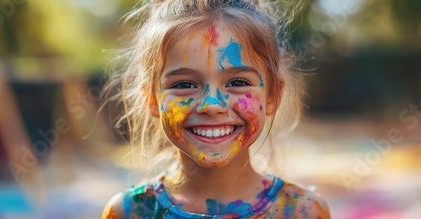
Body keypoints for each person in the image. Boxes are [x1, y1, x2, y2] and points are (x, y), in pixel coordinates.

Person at [102, 0, 330, 218]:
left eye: (238, 83)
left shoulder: (302, 211)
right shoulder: (129, 212)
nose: (211, 105)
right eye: (184, 84)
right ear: (152, 100)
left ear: (272, 96)